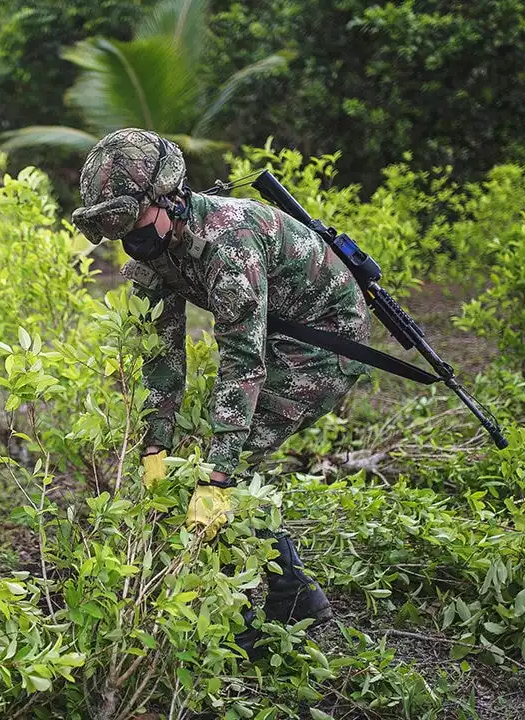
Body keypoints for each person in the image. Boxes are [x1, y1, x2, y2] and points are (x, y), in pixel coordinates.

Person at [71, 128, 371, 655]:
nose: (129, 238)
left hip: (324, 339)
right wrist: (154, 445)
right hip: (277, 332)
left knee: (233, 461)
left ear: (170, 199)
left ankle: (288, 597)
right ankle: (288, 590)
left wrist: (218, 474)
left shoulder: (228, 243)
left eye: (134, 222)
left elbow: (243, 362)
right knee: (198, 456)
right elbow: (162, 355)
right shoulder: (153, 251)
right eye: (116, 228)